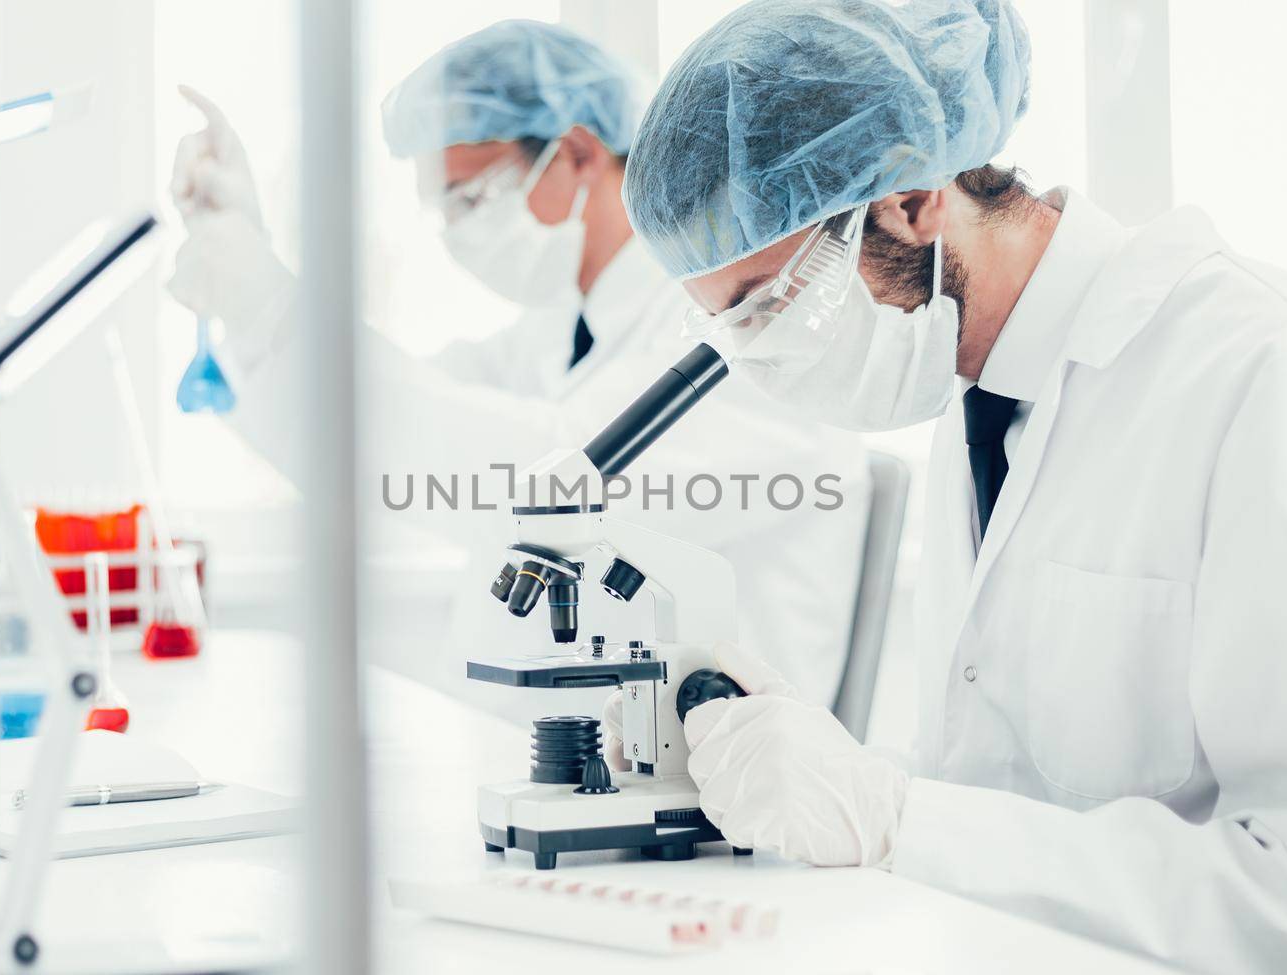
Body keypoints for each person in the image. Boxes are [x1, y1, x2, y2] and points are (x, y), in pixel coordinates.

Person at [613, 0, 1287, 972]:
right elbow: (1012, 792)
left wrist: (895, 819)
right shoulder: (978, 393)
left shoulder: (1272, 370)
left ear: (910, 199)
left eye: (770, 304)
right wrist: (815, 779)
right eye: (728, 326)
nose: (762, 355)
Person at [166, 20, 873, 712]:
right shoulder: (561, 327)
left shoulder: (750, 328)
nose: (460, 234)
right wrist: (253, 301)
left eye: (473, 197)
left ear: (577, 152)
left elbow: (538, 476)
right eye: (446, 209)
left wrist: (277, 307)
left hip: (718, 783)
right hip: (543, 745)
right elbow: (392, 424)